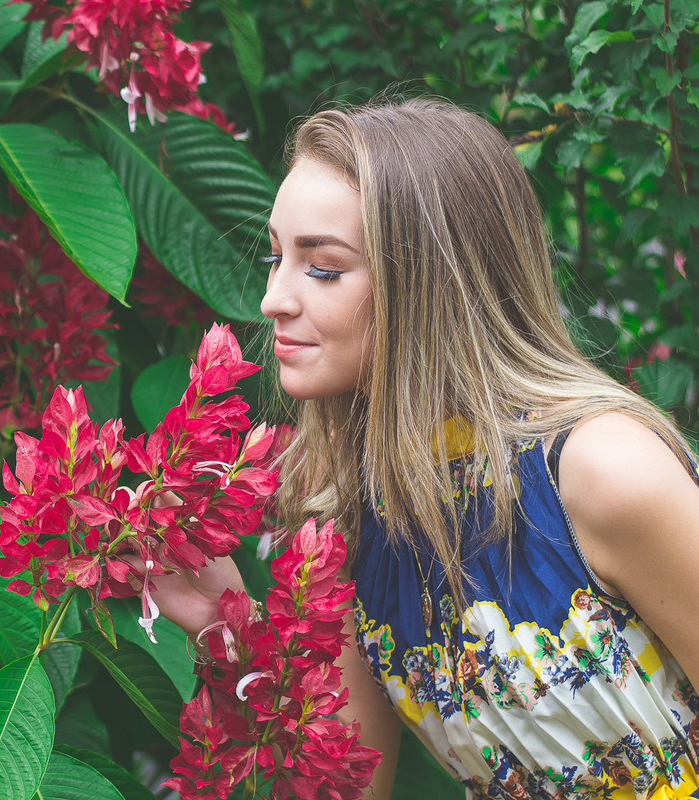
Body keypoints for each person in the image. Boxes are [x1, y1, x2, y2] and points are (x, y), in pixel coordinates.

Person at [150, 97, 699, 800]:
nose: (272, 299)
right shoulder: (352, 510)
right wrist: (224, 630)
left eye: (322, 268)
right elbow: (346, 789)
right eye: (275, 255)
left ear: (429, 282)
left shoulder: (601, 472)